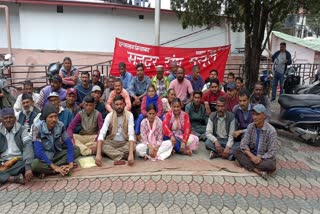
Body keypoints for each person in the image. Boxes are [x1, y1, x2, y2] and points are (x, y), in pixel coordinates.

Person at [31, 104, 80, 178]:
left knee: (76, 149)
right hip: (44, 157)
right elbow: (39, 152)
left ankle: (48, 171)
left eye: (55, 116)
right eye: (50, 117)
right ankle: (55, 170)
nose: (54, 119)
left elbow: (69, 143)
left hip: (57, 153)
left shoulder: (60, 125)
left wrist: (70, 163)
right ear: (45, 118)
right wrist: (54, 167)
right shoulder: (36, 128)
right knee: (34, 164)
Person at [233, 104, 278, 179]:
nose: (254, 117)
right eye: (253, 114)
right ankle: (257, 171)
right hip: (251, 155)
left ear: (264, 116)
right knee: (235, 150)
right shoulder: (251, 126)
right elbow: (244, 144)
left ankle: (246, 164)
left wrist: (259, 158)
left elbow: (272, 152)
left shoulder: (271, 131)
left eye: (257, 115)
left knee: (271, 165)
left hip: (262, 158)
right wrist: (252, 156)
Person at [96, 95, 135, 166]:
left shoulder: (129, 115)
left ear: (124, 104)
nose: (119, 106)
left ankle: (115, 155)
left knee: (133, 146)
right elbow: (102, 133)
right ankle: (123, 156)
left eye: (121, 104)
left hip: (125, 142)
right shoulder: (109, 116)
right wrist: (98, 155)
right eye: (117, 104)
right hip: (112, 142)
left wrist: (131, 154)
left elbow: (131, 134)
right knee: (101, 145)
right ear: (113, 105)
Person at [0, 108, 34, 184]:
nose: (8, 120)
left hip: (19, 161)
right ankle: (13, 178)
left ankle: (4, 176)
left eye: (11, 117)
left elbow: (28, 145)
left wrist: (28, 167)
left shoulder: (22, 129)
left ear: (15, 119)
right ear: (1, 120)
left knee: (32, 163)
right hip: (3, 162)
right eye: (5, 118)